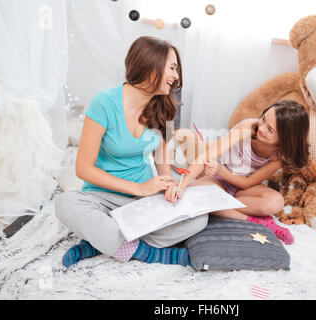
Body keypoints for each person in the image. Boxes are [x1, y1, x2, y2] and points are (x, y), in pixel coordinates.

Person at [55, 36, 208, 268]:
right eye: (172, 68)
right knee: (65, 203)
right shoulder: (104, 103)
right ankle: (149, 253)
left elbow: (161, 152)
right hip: (103, 196)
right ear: (150, 65)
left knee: (198, 218)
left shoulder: (163, 105)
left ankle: (101, 242)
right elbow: (83, 169)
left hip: (143, 199)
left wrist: (167, 185)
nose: (177, 76)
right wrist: (138, 188)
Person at [190, 100, 310, 245]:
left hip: (243, 188)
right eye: (264, 119)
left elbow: (248, 183)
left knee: (276, 202)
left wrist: (221, 171)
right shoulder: (247, 127)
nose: (262, 128)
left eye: (270, 130)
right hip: (217, 180)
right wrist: (184, 182)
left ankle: (221, 208)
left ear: (284, 139)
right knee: (192, 193)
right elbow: (210, 154)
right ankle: (258, 222)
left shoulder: (280, 155)